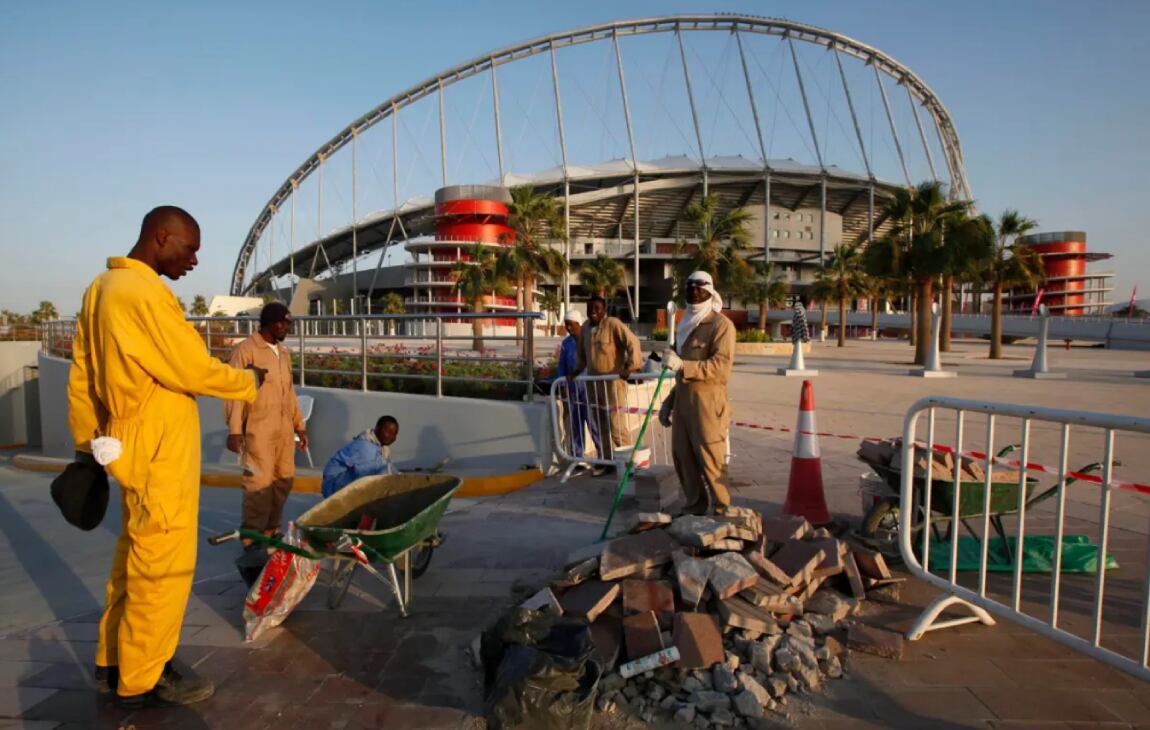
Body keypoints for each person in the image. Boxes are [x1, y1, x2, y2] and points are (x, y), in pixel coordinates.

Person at [68, 206, 261, 708]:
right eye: (189, 249)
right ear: (161, 237)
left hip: (126, 440)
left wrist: (85, 445)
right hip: (159, 444)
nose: (194, 260)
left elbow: (82, 375)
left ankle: (112, 663)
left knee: (134, 555)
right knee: (164, 566)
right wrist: (249, 383)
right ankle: (144, 677)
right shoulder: (145, 293)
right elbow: (191, 367)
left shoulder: (100, 289)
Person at [224, 302, 308, 545]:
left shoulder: (283, 353)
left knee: (283, 480)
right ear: (269, 323)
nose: (285, 328)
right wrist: (235, 431)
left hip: (283, 430)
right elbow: (235, 393)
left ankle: (271, 531)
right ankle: (252, 539)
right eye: (281, 322)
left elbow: (289, 392)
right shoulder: (246, 351)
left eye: (288, 323)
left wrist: (299, 425)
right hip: (257, 430)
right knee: (258, 485)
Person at [657, 271, 736, 515]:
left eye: (699, 286)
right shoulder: (684, 325)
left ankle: (723, 510)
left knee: (710, 458)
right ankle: (695, 507)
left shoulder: (721, 325)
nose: (693, 289)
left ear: (710, 290)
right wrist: (669, 402)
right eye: (689, 285)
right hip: (683, 402)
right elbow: (681, 377)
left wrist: (683, 365)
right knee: (683, 457)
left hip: (708, 404)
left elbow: (721, 368)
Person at [575, 295, 643, 463]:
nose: (593, 312)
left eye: (597, 308)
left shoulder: (613, 324)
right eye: (590, 308)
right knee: (601, 425)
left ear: (604, 310)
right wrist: (575, 371)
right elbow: (581, 355)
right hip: (593, 383)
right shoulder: (584, 329)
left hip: (613, 384)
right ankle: (607, 462)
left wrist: (631, 366)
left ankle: (630, 463)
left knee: (616, 426)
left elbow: (632, 341)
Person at [555, 309, 602, 460]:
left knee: (594, 423)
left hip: (589, 388)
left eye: (571, 325)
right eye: (566, 325)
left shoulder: (590, 340)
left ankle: (604, 455)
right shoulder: (566, 344)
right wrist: (563, 387)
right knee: (576, 425)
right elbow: (562, 366)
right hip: (572, 389)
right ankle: (577, 457)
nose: (568, 328)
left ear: (578, 324)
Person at [321, 416, 400, 497]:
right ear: (377, 428)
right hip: (332, 485)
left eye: (394, 434)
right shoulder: (365, 447)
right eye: (388, 432)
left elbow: (392, 471)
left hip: (341, 482)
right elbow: (371, 474)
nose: (392, 437)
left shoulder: (382, 448)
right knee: (380, 470)